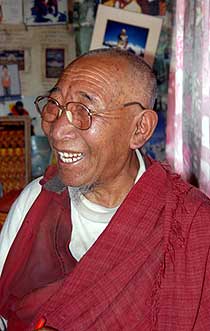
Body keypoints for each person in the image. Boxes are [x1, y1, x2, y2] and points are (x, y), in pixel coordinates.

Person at [0, 48, 210, 331]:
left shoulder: (191, 223)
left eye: (84, 111)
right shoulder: (36, 200)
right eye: (55, 105)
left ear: (140, 129)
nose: (58, 129)